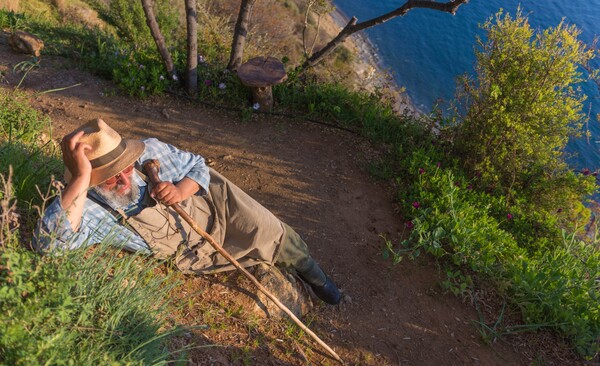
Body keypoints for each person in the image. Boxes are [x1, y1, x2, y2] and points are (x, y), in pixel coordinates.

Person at [35, 118, 341, 305]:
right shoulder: (88, 206)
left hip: (212, 203)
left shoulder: (150, 151)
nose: (125, 179)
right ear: (89, 179)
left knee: (269, 231)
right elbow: (49, 244)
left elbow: (197, 164)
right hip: (190, 250)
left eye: (125, 168)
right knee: (251, 253)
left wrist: (180, 190)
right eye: (110, 177)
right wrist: (79, 181)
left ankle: (314, 276)